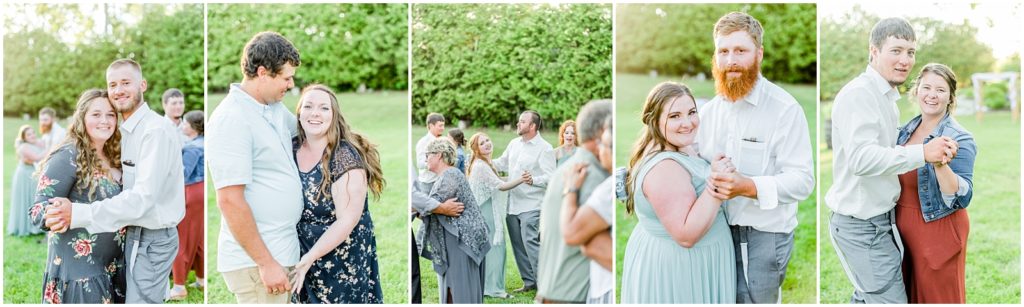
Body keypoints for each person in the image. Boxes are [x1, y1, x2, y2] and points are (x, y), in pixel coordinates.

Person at [826, 18, 958, 304]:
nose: (905, 60)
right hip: (860, 225)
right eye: (896, 50)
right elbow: (861, 159)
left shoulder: (886, 96)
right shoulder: (860, 94)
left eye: (910, 52)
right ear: (873, 51)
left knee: (867, 298)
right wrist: (923, 152)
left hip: (882, 221)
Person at [43, 59, 186, 304]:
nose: (118, 90)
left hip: (151, 237)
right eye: (112, 84)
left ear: (143, 84)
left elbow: (143, 198)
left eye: (125, 83)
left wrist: (76, 213)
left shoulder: (155, 131)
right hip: (130, 236)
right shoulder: (124, 133)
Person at [696, 12, 815, 303]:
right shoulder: (708, 112)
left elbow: (802, 181)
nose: (731, 60)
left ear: (758, 54)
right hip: (715, 232)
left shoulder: (784, 109)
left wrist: (746, 186)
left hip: (764, 236)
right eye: (723, 51)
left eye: (740, 51)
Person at [206, 31, 303, 304]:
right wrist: (266, 263)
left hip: (282, 250)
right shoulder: (231, 119)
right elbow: (229, 201)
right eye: (286, 78)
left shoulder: (271, 107)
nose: (290, 84)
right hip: (257, 264)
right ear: (262, 72)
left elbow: (306, 135)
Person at [621, 82, 736, 303]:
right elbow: (686, 234)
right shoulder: (664, 168)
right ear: (654, 121)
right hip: (683, 269)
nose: (688, 123)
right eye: (674, 116)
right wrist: (717, 183)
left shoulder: (676, 145)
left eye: (692, 112)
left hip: (693, 261)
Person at [288, 84, 385, 303]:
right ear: (299, 112)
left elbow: (348, 219)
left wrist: (310, 257)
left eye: (324, 108)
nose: (315, 113)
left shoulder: (344, 156)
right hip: (302, 251)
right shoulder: (290, 148)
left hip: (343, 255)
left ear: (333, 116)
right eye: (308, 106)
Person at [31, 89, 126, 303]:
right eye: (96, 114)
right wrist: (54, 213)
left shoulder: (114, 154)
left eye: (110, 114)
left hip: (112, 265)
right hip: (80, 272)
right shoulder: (68, 155)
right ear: (82, 117)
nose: (104, 120)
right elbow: (37, 209)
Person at [895, 63, 976, 303]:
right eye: (926, 87)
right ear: (916, 90)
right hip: (901, 227)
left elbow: (962, 196)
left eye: (940, 90)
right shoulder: (904, 131)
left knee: (937, 298)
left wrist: (940, 164)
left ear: (950, 97)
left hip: (938, 228)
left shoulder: (960, 137)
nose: (932, 95)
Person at [536, 100, 611, 303]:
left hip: (554, 290)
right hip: (571, 295)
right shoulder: (592, 176)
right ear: (602, 132)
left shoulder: (570, 168)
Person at [417, 138, 490, 304]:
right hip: (456, 238)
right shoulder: (449, 174)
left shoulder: (450, 174)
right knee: (453, 286)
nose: (425, 159)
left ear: (439, 155)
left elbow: (430, 204)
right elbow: (433, 206)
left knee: (459, 288)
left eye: (428, 155)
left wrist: (420, 208)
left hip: (461, 240)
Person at [492, 110, 555, 293]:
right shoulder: (514, 144)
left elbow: (551, 176)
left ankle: (546, 286)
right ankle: (529, 282)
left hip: (532, 205)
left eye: (522, 121)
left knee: (532, 246)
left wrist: (533, 179)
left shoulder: (545, 148)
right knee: (518, 246)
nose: (518, 124)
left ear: (532, 126)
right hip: (512, 204)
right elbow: (502, 163)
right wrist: (481, 162)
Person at [465, 132, 530, 299]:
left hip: (487, 210)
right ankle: (493, 288)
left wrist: (516, 178)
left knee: (496, 249)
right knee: (495, 250)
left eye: (487, 140)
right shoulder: (480, 166)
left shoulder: (486, 163)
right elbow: (501, 186)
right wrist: (522, 179)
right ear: (476, 149)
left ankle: (489, 285)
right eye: (482, 143)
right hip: (485, 213)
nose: (487, 144)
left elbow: (498, 181)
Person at [558, 115, 614, 304]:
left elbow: (572, 233)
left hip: (607, 287)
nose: (599, 150)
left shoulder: (608, 186)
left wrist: (571, 189)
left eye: (604, 145)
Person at [169, 110, 206, 300]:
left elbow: (182, 174)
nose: (182, 125)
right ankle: (201, 278)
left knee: (181, 238)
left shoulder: (192, 148)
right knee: (197, 238)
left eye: (184, 123)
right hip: (200, 191)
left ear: (192, 127)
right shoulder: (201, 142)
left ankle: (179, 286)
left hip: (190, 192)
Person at [8, 125, 46, 237]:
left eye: (33, 132)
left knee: (32, 198)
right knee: (25, 199)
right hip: (24, 175)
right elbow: (37, 157)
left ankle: (35, 225)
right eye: (29, 134)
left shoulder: (33, 143)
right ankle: (26, 227)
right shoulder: (24, 146)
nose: (32, 135)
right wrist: (52, 147)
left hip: (32, 174)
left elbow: (43, 142)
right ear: (23, 137)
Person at [416, 113, 446, 186]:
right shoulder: (423, 142)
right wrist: (435, 165)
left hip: (441, 181)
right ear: (431, 126)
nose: (443, 128)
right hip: (428, 183)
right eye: (440, 125)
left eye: (443, 125)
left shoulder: (442, 140)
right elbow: (420, 164)